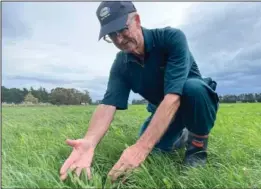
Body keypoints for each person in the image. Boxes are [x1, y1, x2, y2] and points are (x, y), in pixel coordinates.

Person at [60, 1, 219, 182]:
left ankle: (197, 147)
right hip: (163, 111)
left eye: (122, 29)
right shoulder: (121, 64)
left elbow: (173, 98)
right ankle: (180, 136)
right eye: (112, 34)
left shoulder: (171, 39)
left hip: (193, 102)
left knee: (193, 88)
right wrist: (89, 142)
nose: (119, 39)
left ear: (137, 19)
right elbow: (107, 104)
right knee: (155, 154)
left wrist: (141, 148)